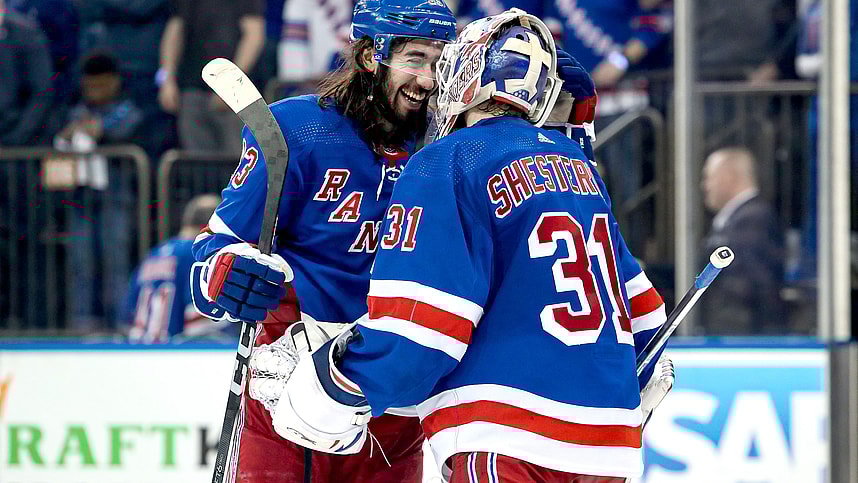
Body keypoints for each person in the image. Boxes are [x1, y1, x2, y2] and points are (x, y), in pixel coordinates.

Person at [250, 9, 670, 482]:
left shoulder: (445, 161)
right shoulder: (579, 170)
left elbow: (421, 333)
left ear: (466, 73)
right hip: (609, 449)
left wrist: (324, 393)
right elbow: (650, 327)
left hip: (506, 437)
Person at [190, 0, 458, 481]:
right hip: (287, 389)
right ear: (369, 56)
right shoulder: (297, 129)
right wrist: (228, 275)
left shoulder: (449, 149)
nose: (429, 79)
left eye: (441, 62)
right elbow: (215, 251)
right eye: (415, 58)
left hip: (392, 402)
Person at [158, 0, 265, 154]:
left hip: (236, 95)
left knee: (239, 159)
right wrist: (166, 80)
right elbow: (175, 32)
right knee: (198, 165)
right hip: (191, 89)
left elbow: (254, 36)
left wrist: (230, 85)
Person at [121, 195, 231, 343]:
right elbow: (202, 326)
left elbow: (127, 312)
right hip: (176, 354)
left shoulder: (153, 255)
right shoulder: (198, 256)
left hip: (141, 350)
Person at [699, 147, 784, 335]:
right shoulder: (736, 218)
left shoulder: (752, 218)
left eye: (708, 177)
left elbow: (747, 288)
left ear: (728, 176)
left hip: (741, 336)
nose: (705, 186)